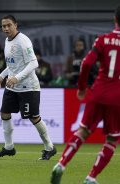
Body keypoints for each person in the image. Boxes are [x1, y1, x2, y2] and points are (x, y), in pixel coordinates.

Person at [51, 5, 120, 184]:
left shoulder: (103, 40)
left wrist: (81, 87)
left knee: (83, 131)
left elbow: (86, 64)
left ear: (115, 19)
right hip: (117, 97)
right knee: (112, 139)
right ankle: (91, 177)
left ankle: (61, 164)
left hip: (98, 92)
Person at [0, 15, 56, 160]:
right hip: (13, 87)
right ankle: (9, 147)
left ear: (16, 25)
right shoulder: (7, 41)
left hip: (29, 87)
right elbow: (12, 65)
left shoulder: (23, 41)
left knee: (34, 118)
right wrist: (2, 76)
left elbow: (34, 63)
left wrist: (16, 78)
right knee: (4, 114)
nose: (6, 28)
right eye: (3, 26)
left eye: (9, 25)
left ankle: (49, 147)